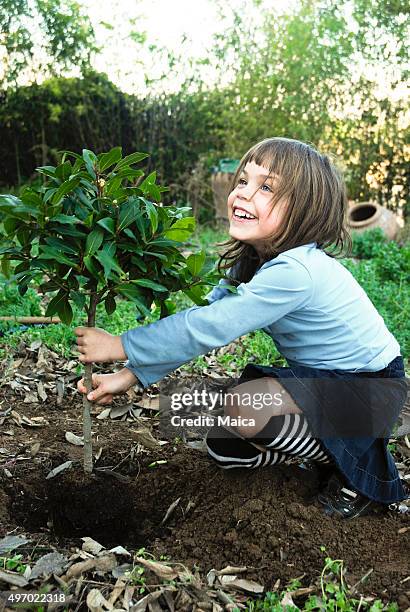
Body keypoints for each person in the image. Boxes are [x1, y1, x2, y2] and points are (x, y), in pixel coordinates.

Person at [76, 137, 408, 519]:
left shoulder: (297, 272)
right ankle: (320, 456)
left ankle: (355, 470)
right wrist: (130, 373)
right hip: (327, 383)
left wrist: (120, 343)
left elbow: (210, 326)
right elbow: (205, 317)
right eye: (243, 181)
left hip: (373, 392)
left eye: (266, 187)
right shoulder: (256, 259)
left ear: (305, 210)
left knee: (244, 409)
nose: (243, 194)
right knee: (224, 447)